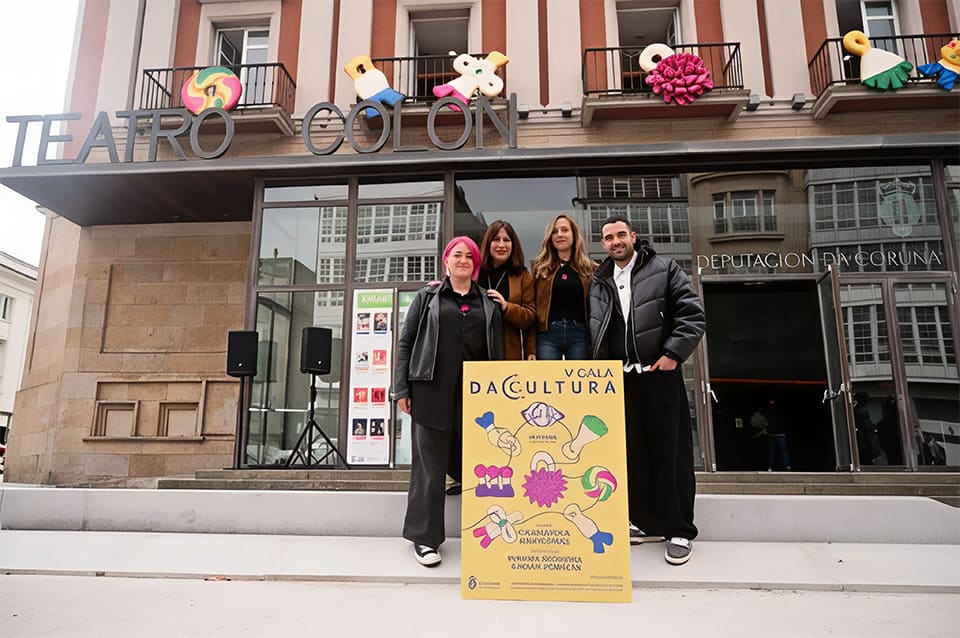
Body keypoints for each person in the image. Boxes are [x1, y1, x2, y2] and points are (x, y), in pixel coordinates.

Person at [588, 216, 705, 566]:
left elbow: (692, 314)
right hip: (621, 381)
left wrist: (672, 354)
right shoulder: (599, 279)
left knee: (671, 454)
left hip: (659, 374)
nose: (615, 241)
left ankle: (679, 529)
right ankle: (647, 523)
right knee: (632, 455)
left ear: (633, 237)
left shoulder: (664, 268)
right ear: (604, 244)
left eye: (621, 234)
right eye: (608, 237)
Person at [393, 236, 504, 567]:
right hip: (430, 391)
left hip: (476, 395)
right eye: (457, 255)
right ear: (446, 261)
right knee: (429, 468)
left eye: (469, 256)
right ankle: (425, 539)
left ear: (476, 265)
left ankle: (490, 535)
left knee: (481, 462)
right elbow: (406, 342)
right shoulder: (427, 297)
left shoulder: (487, 302)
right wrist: (402, 389)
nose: (463, 260)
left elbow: (496, 351)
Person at [530, 214, 595, 360]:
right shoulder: (539, 269)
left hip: (580, 333)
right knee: (549, 379)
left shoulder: (589, 269)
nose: (559, 235)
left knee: (578, 380)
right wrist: (530, 348)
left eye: (565, 230)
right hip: (547, 334)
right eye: (554, 231)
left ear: (574, 235)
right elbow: (532, 307)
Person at [479, 220, 537, 360]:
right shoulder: (475, 275)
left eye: (507, 240)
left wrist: (506, 307)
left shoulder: (523, 276)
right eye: (496, 239)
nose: (501, 245)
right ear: (488, 243)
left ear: (513, 245)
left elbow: (531, 317)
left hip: (510, 353)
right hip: (478, 351)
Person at [750, 399, 791, 471]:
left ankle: (770, 466)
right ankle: (787, 465)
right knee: (783, 450)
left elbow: (765, 423)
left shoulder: (767, 411)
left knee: (772, 451)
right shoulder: (782, 411)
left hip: (772, 433)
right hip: (781, 433)